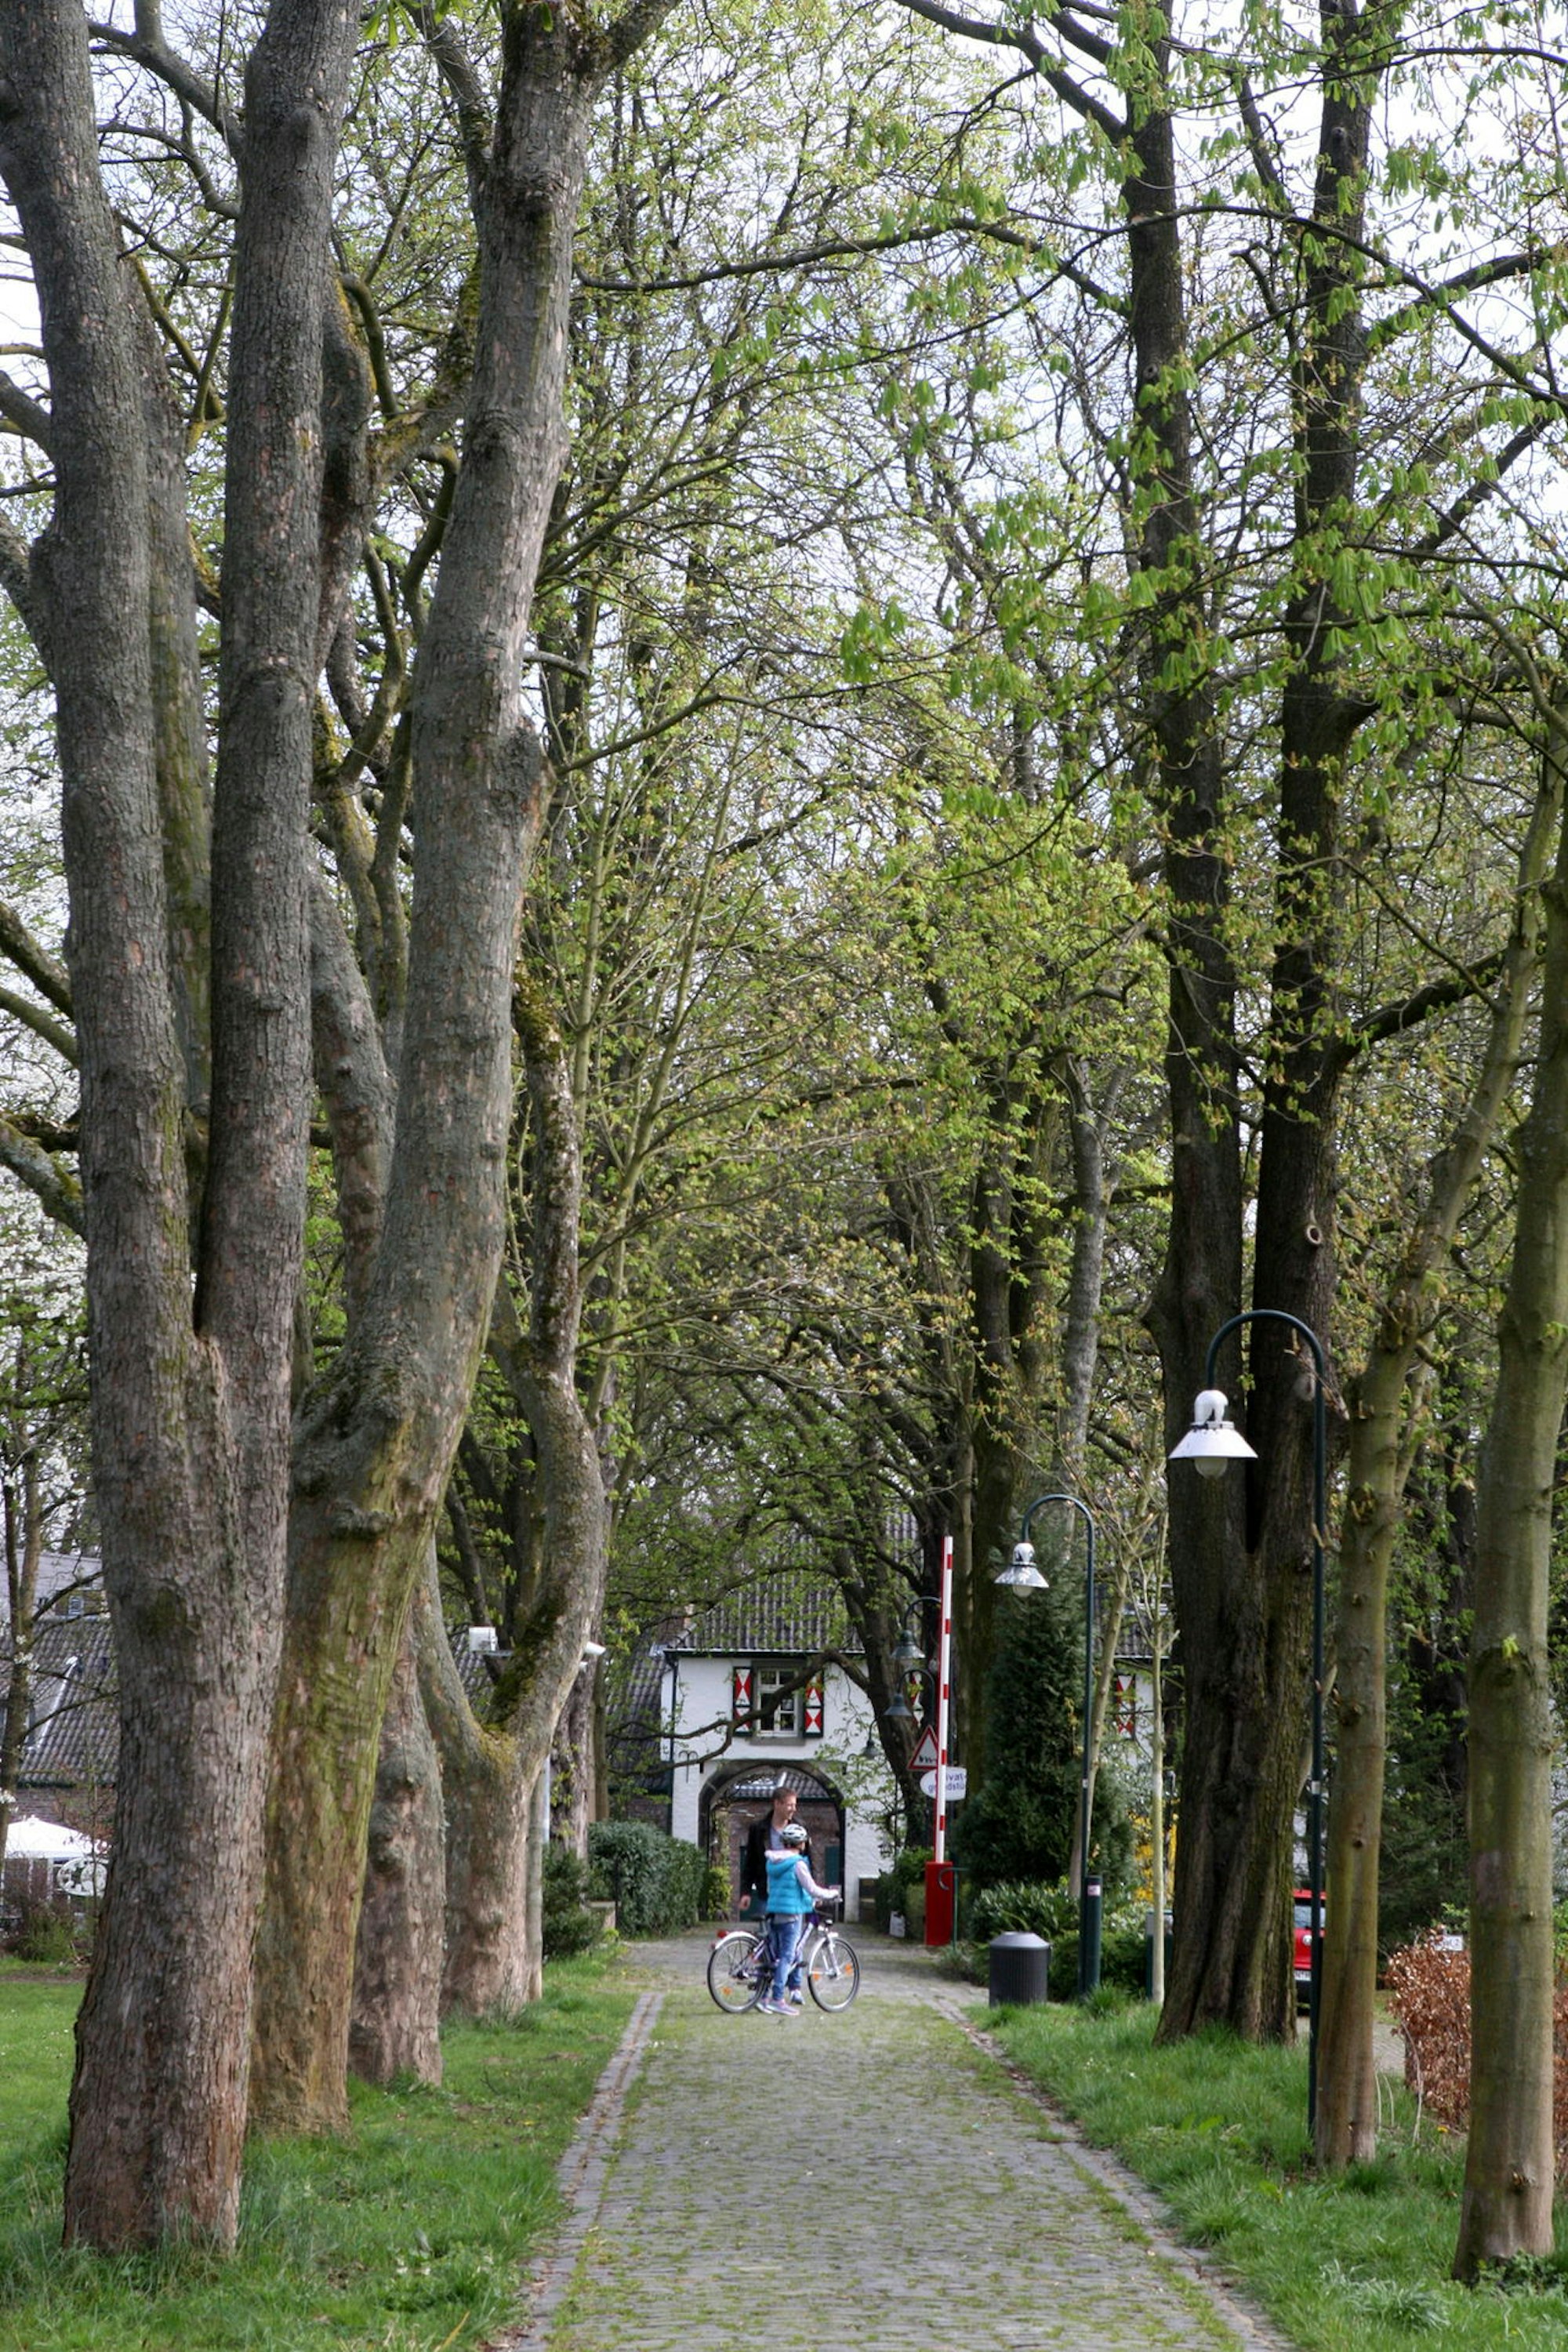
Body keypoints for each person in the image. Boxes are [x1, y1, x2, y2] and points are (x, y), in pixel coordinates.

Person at [758, 1820, 839, 2017]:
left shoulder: (773, 1862)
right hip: (792, 1915)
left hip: (775, 1911)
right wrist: (830, 1894)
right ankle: (778, 1999)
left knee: (775, 1957)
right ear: (801, 1844)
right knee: (787, 1956)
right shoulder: (798, 1864)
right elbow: (811, 1888)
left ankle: (764, 1997)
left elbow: (782, 1888)